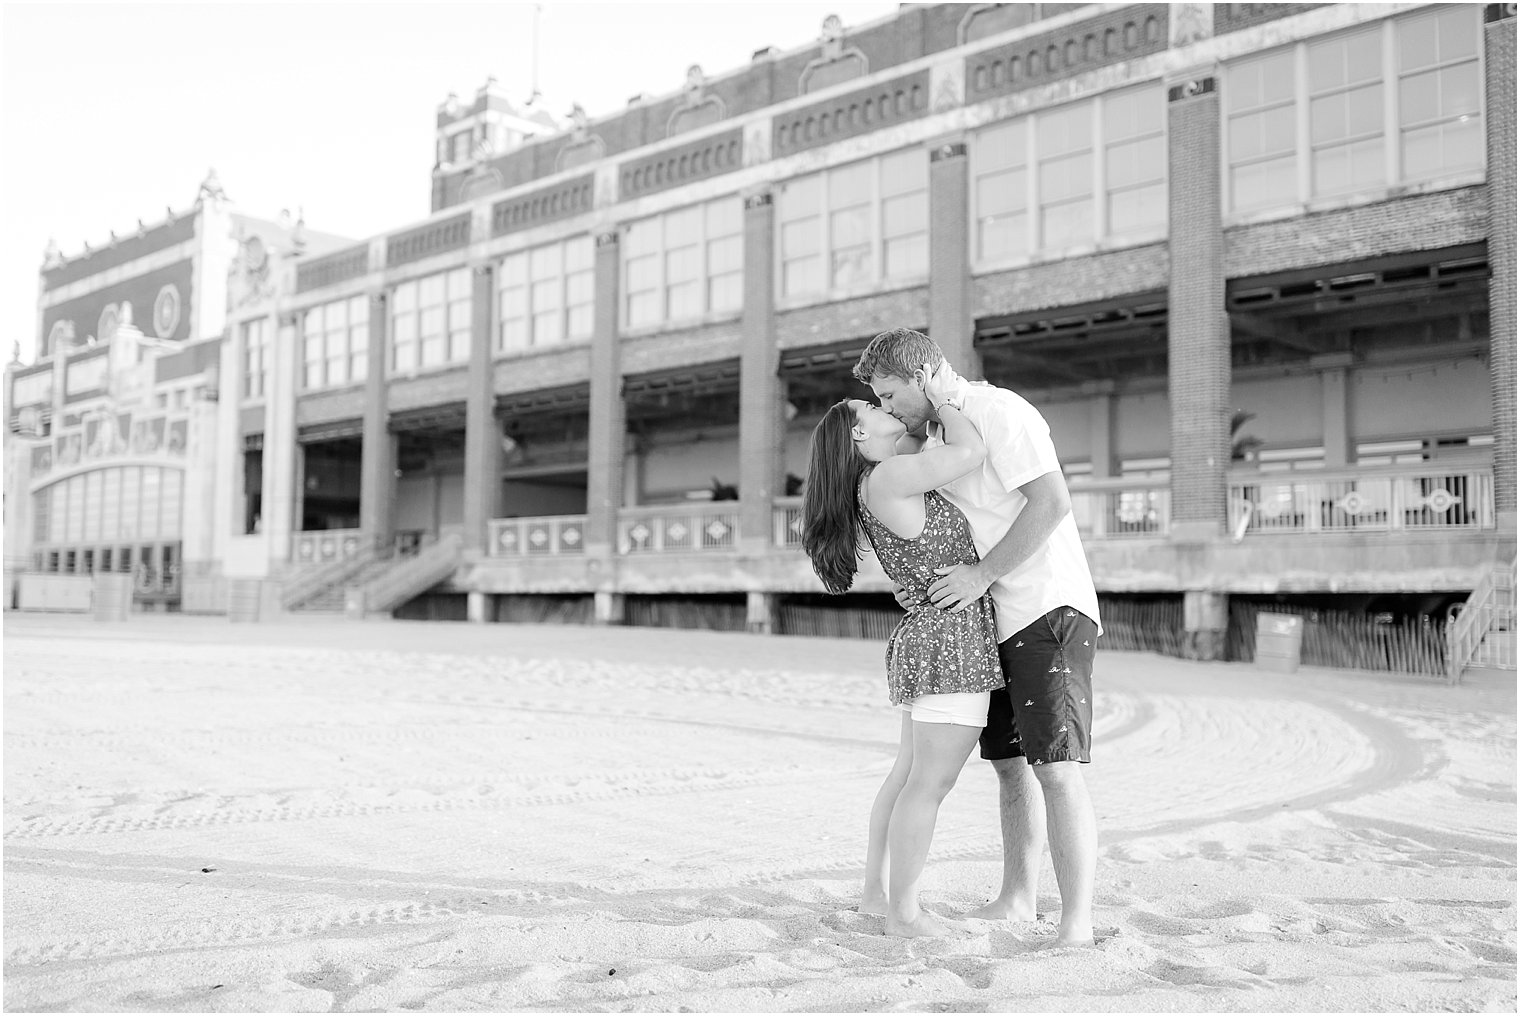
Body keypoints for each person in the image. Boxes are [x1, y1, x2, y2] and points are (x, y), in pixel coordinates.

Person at [853, 327, 1103, 947]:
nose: (888, 408)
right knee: (1012, 768)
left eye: (890, 394)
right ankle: (1018, 898)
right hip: (989, 616)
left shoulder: (998, 411)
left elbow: (1051, 502)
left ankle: (1076, 923)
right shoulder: (934, 436)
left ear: (923, 375)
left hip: (1046, 606)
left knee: (1059, 768)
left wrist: (983, 573)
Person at [801, 394, 1004, 938]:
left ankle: (877, 896)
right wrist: (938, 391)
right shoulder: (889, 478)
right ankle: (905, 914)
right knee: (928, 786)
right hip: (950, 642)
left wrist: (910, 421)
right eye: (868, 406)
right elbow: (971, 448)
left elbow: (918, 441)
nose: (877, 403)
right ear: (859, 437)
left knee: (906, 778)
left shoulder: (882, 478)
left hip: (929, 638)